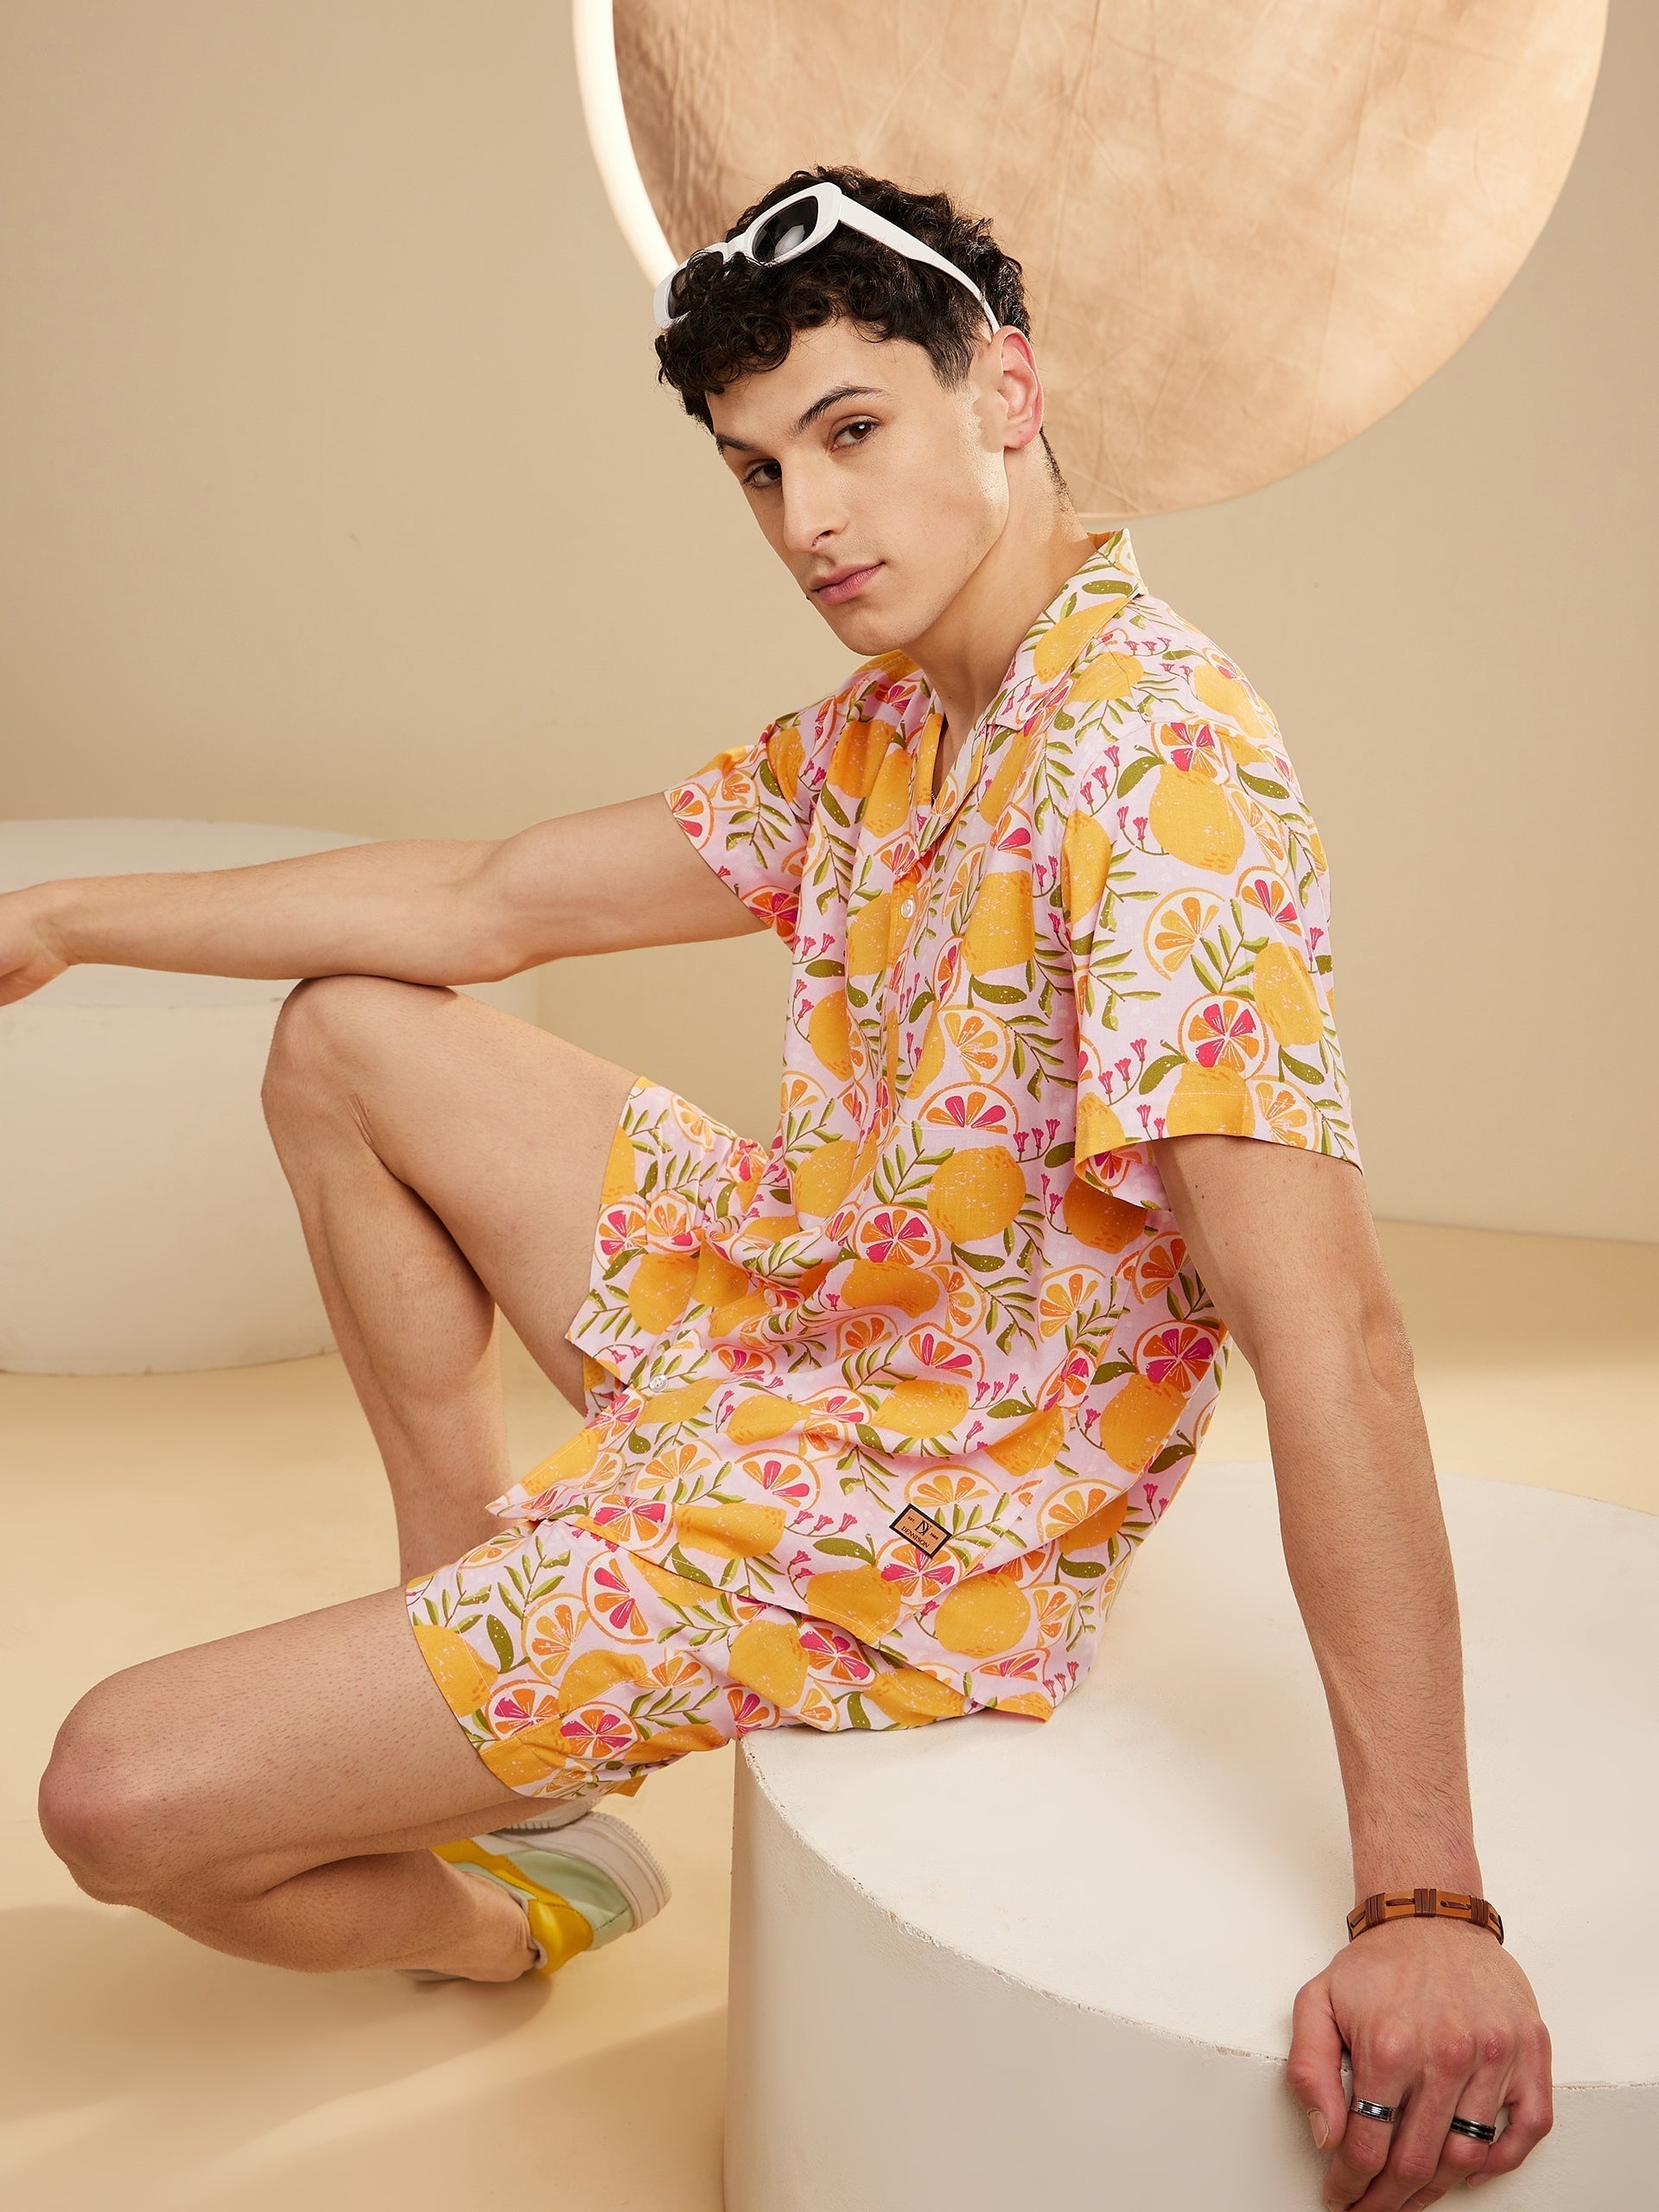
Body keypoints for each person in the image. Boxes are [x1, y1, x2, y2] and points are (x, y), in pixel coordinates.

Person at [7, 164, 1550, 2206]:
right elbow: (487, 896)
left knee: (114, 1793)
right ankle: (498, 1719)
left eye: (851, 430)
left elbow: (1332, 1327)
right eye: (758, 469)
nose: (808, 518)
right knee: (354, 1031)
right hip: (812, 1300)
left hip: (928, 1504)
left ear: (1006, 392)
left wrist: (1426, 1900)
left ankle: (502, 1909)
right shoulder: (898, 723)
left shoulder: (1156, 763)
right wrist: (64, 918)